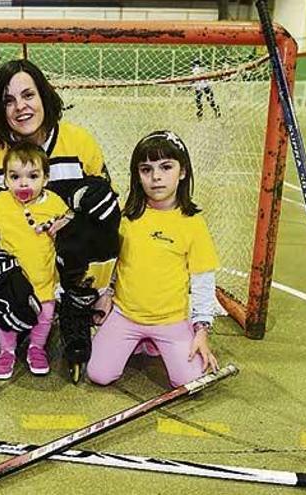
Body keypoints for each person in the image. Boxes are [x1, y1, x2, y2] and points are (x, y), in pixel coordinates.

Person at [0, 58, 120, 383]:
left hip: (67, 274)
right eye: (9, 100)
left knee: (95, 208)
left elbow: (108, 220)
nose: (20, 107)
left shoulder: (80, 143)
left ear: (44, 96)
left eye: (28, 95)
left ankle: (73, 308)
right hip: (13, 276)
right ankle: (25, 323)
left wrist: (105, 289)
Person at [87, 130, 220, 389]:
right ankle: (138, 341)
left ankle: (153, 343)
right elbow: (113, 267)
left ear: (182, 172)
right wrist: (105, 296)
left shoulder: (193, 224)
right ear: (138, 176)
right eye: (146, 169)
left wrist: (202, 330)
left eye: (166, 167)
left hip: (171, 320)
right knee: (99, 374)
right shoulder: (127, 218)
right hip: (126, 315)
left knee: (190, 381)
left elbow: (203, 279)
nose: (156, 177)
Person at [0, 142, 72, 379]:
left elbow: (69, 215)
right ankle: (6, 351)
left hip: (44, 279)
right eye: (15, 176)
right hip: (13, 281)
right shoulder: (1, 203)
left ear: (46, 179)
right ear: (5, 180)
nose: (23, 183)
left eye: (33, 176)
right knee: (7, 318)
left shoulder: (54, 202)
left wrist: (62, 224)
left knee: (45, 316)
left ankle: (36, 348)